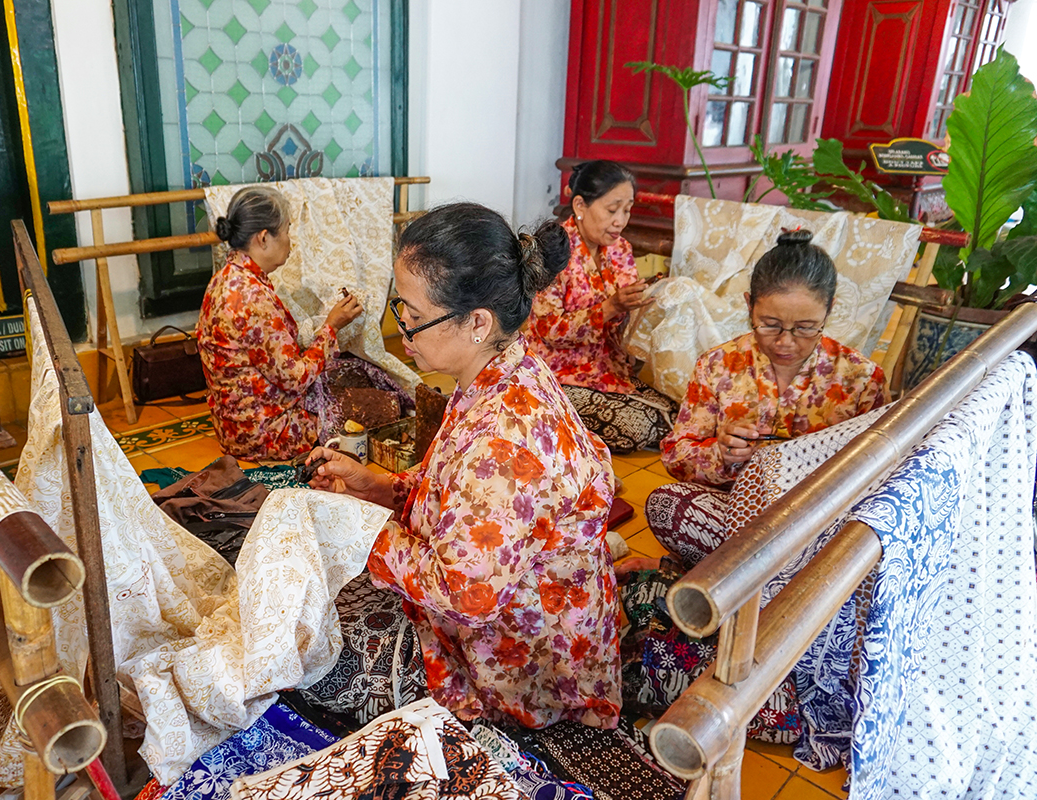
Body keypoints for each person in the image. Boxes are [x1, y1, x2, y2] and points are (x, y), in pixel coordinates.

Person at [307, 203, 622, 729]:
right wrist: (384, 488)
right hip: (524, 612)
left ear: (477, 322)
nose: (401, 329)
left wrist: (362, 528)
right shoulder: (501, 370)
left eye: (410, 314)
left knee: (319, 658)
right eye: (399, 308)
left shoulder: (505, 441)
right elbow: (457, 494)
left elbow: (465, 594)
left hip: (521, 662)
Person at [645, 230, 888, 566]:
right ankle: (776, 576)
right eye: (770, 324)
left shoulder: (861, 379)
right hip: (736, 517)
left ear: (829, 310)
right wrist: (722, 454)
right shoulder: (718, 365)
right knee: (665, 505)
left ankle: (738, 575)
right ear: (749, 305)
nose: (786, 342)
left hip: (818, 524)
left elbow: (878, 474)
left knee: (858, 545)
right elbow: (676, 455)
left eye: (805, 327)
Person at [197, 186, 364, 461]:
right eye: (286, 231)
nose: (290, 241)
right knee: (372, 397)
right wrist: (332, 326)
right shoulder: (252, 298)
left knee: (352, 373)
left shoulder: (224, 279)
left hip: (232, 427)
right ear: (264, 238)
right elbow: (295, 378)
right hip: (267, 433)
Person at [527, 160, 675, 453]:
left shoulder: (620, 249)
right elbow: (548, 330)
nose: (620, 220)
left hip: (609, 369)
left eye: (627, 209)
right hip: (558, 374)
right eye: (612, 210)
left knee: (675, 409)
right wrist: (609, 308)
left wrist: (648, 300)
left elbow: (629, 316)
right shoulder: (553, 250)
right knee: (637, 428)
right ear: (580, 205)